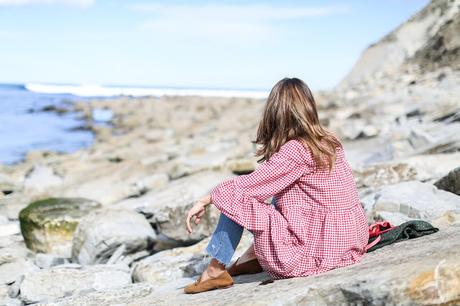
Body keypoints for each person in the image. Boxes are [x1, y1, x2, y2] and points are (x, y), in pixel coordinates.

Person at [183, 77, 369, 294]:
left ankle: (215, 271)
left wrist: (205, 199)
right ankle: (252, 257)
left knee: (235, 194)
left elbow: (245, 188)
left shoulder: (296, 150)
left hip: (314, 251)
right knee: (271, 194)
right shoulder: (330, 140)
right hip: (350, 240)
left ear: (276, 112)